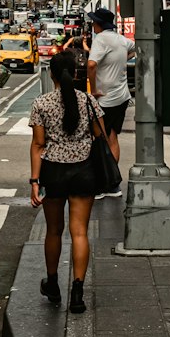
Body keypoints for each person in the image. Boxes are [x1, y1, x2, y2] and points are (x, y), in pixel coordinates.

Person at [28, 50, 106, 315]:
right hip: (84, 170)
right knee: (80, 232)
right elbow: (101, 135)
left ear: (51, 74)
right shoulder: (88, 102)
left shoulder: (42, 103)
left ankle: (52, 284)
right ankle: (77, 293)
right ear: (75, 73)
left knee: (53, 231)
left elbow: (38, 144)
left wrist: (34, 181)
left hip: (53, 171)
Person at [85, 7, 133, 195]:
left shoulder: (101, 40)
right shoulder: (121, 40)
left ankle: (101, 184)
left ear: (98, 24)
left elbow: (91, 65)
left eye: (94, 22)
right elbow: (135, 48)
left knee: (99, 140)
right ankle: (113, 183)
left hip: (104, 99)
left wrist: (94, 89)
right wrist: (121, 60)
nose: (92, 24)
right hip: (122, 96)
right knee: (113, 138)